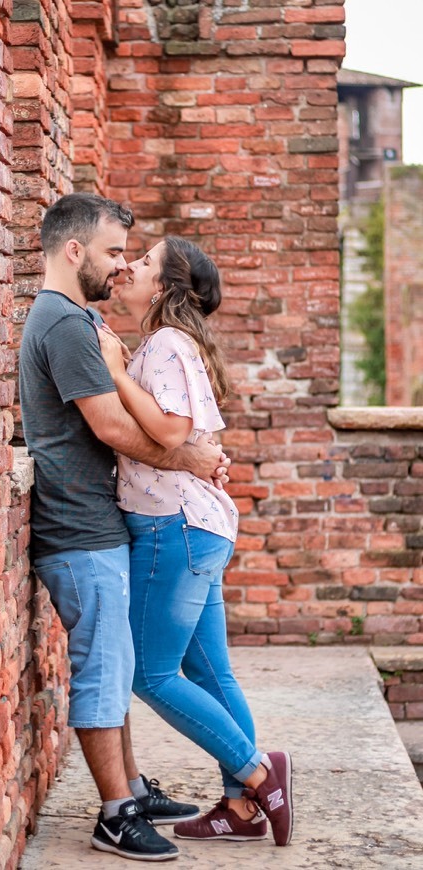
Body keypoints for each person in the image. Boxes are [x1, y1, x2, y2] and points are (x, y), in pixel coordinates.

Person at [19, 194, 231, 861]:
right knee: (105, 671)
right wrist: (193, 457)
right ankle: (116, 815)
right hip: (77, 529)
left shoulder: (78, 320)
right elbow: (111, 427)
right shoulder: (62, 323)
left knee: (119, 668)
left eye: (128, 256)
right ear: (73, 250)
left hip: (96, 523)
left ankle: (132, 787)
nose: (119, 268)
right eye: (114, 252)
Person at [97, 236, 294, 847]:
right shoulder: (166, 346)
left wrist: (110, 371)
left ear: (163, 289)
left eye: (146, 262)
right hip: (197, 526)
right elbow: (185, 434)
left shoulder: (164, 344)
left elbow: (170, 429)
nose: (129, 265)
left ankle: (260, 772)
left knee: (151, 675)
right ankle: (239, 810)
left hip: (172, 527)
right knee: (210, 671)